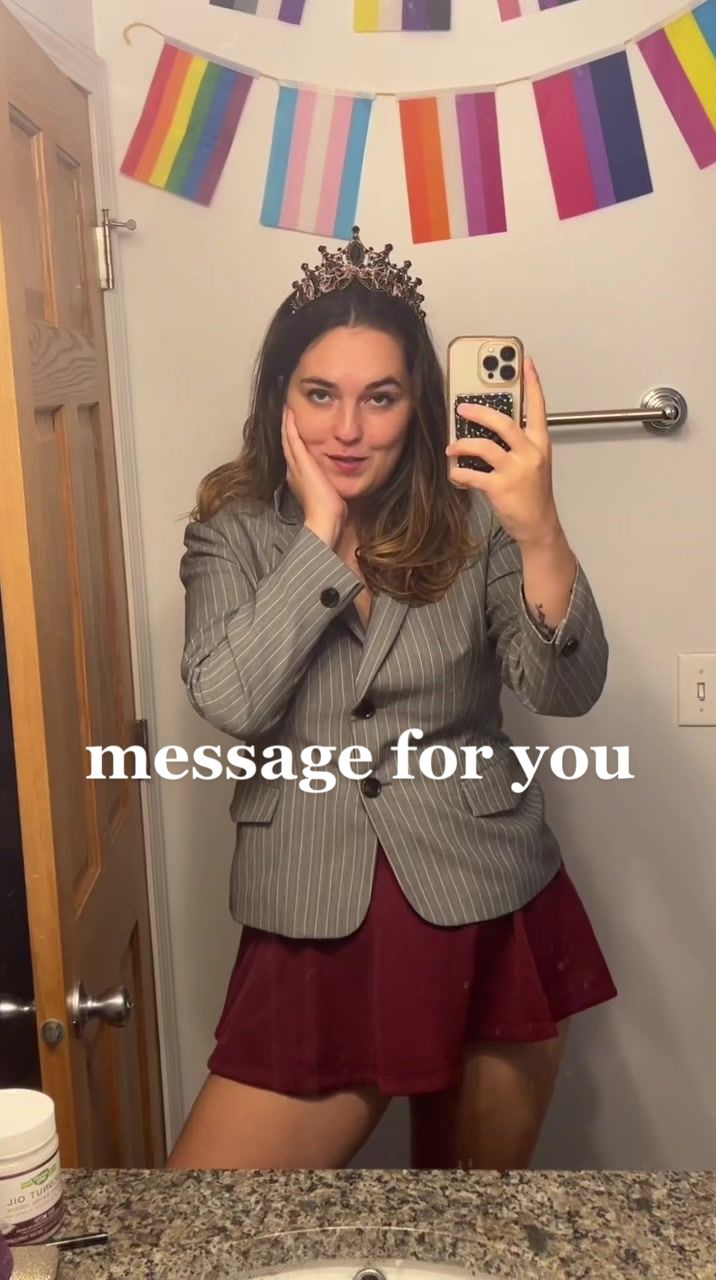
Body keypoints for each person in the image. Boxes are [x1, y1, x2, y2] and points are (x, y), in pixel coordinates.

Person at [168, 227, 617, 1172]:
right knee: (203, 1218)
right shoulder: (231, 533)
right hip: (313, 912)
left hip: (486, 896)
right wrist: (319, 537)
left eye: (380, 397)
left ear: (419, 406)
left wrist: (539, 531)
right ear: (279, 398)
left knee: (467, 1221)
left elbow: (568, 689)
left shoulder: (474, 523)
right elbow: (231, 698)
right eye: (319, 394)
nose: (347, 429)